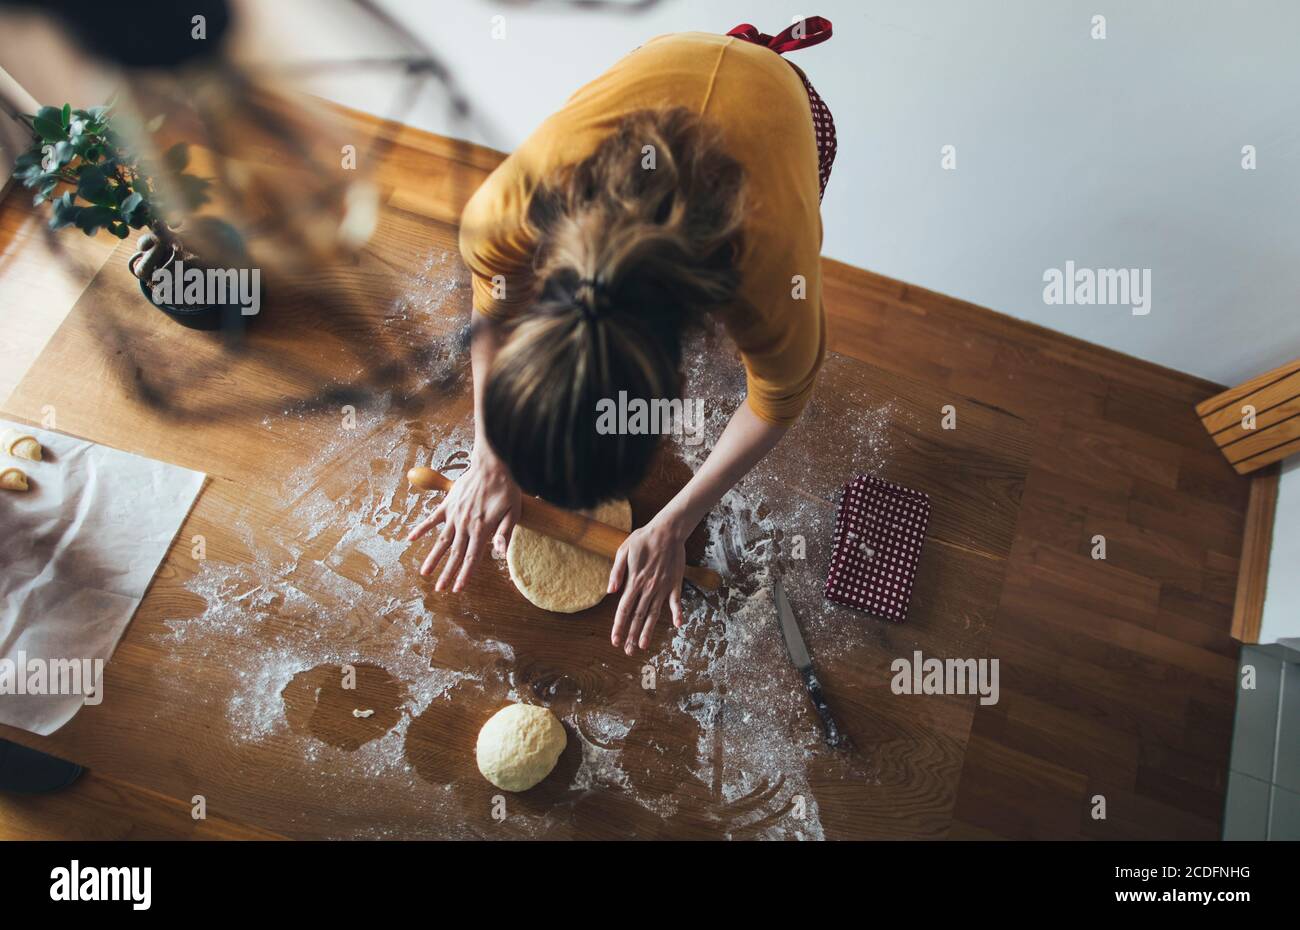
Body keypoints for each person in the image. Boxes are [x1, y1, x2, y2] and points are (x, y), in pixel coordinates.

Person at [410, 20, 836, 655]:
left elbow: (776, 401)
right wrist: (489, 454)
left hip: (780, 103)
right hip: (664, 68)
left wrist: (676, 519)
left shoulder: (772, 276)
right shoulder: (508, 211)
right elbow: (493, 307)